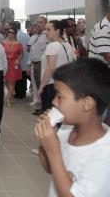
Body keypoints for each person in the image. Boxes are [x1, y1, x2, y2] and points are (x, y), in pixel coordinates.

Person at [35, 59, 110, 197]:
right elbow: (50, 168)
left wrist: (53, 150)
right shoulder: (66, 130)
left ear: (87, 104)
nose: (53, 102)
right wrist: (44, 142)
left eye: (60, 97)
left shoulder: (104, 153)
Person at [38, 20, 76, 113]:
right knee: (60, 115)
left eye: (49, 29)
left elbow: (50, 68)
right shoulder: (68, 45)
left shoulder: (52, 46)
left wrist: (41, 86)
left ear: (57, 31)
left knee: (50, 117)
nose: (46, 32)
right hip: (64, 85)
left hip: (51, 86)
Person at [27, 16, 49, 110]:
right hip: (34, 63)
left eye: (40, 22)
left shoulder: (47, 36)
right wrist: (29, 64)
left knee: (42, 85)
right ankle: (40, 104)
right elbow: (31, 51)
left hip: (42, 64)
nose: (38, 24)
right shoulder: (35, 36)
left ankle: (44, 107)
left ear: (45, 24)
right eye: (37, 22)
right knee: (36, 84)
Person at [2, 28, 23, 107]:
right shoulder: (3, 43)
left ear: (15, 34)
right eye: (9, 32)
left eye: (12, 32)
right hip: (5, 63)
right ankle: (10, 95)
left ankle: (8, 99)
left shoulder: (18, 43)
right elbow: (0, 53)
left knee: (12, 81)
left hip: (14, 64)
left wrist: (18, 59)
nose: (10, 34)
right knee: (7, 81)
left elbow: (21, 54)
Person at [13, 21, 30, 99]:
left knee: (18, 78)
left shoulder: (15, 36)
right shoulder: (27, 35)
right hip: (26, 59)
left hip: (18, 60)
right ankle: (23, 92)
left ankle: (18, 93)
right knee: (23, 77)